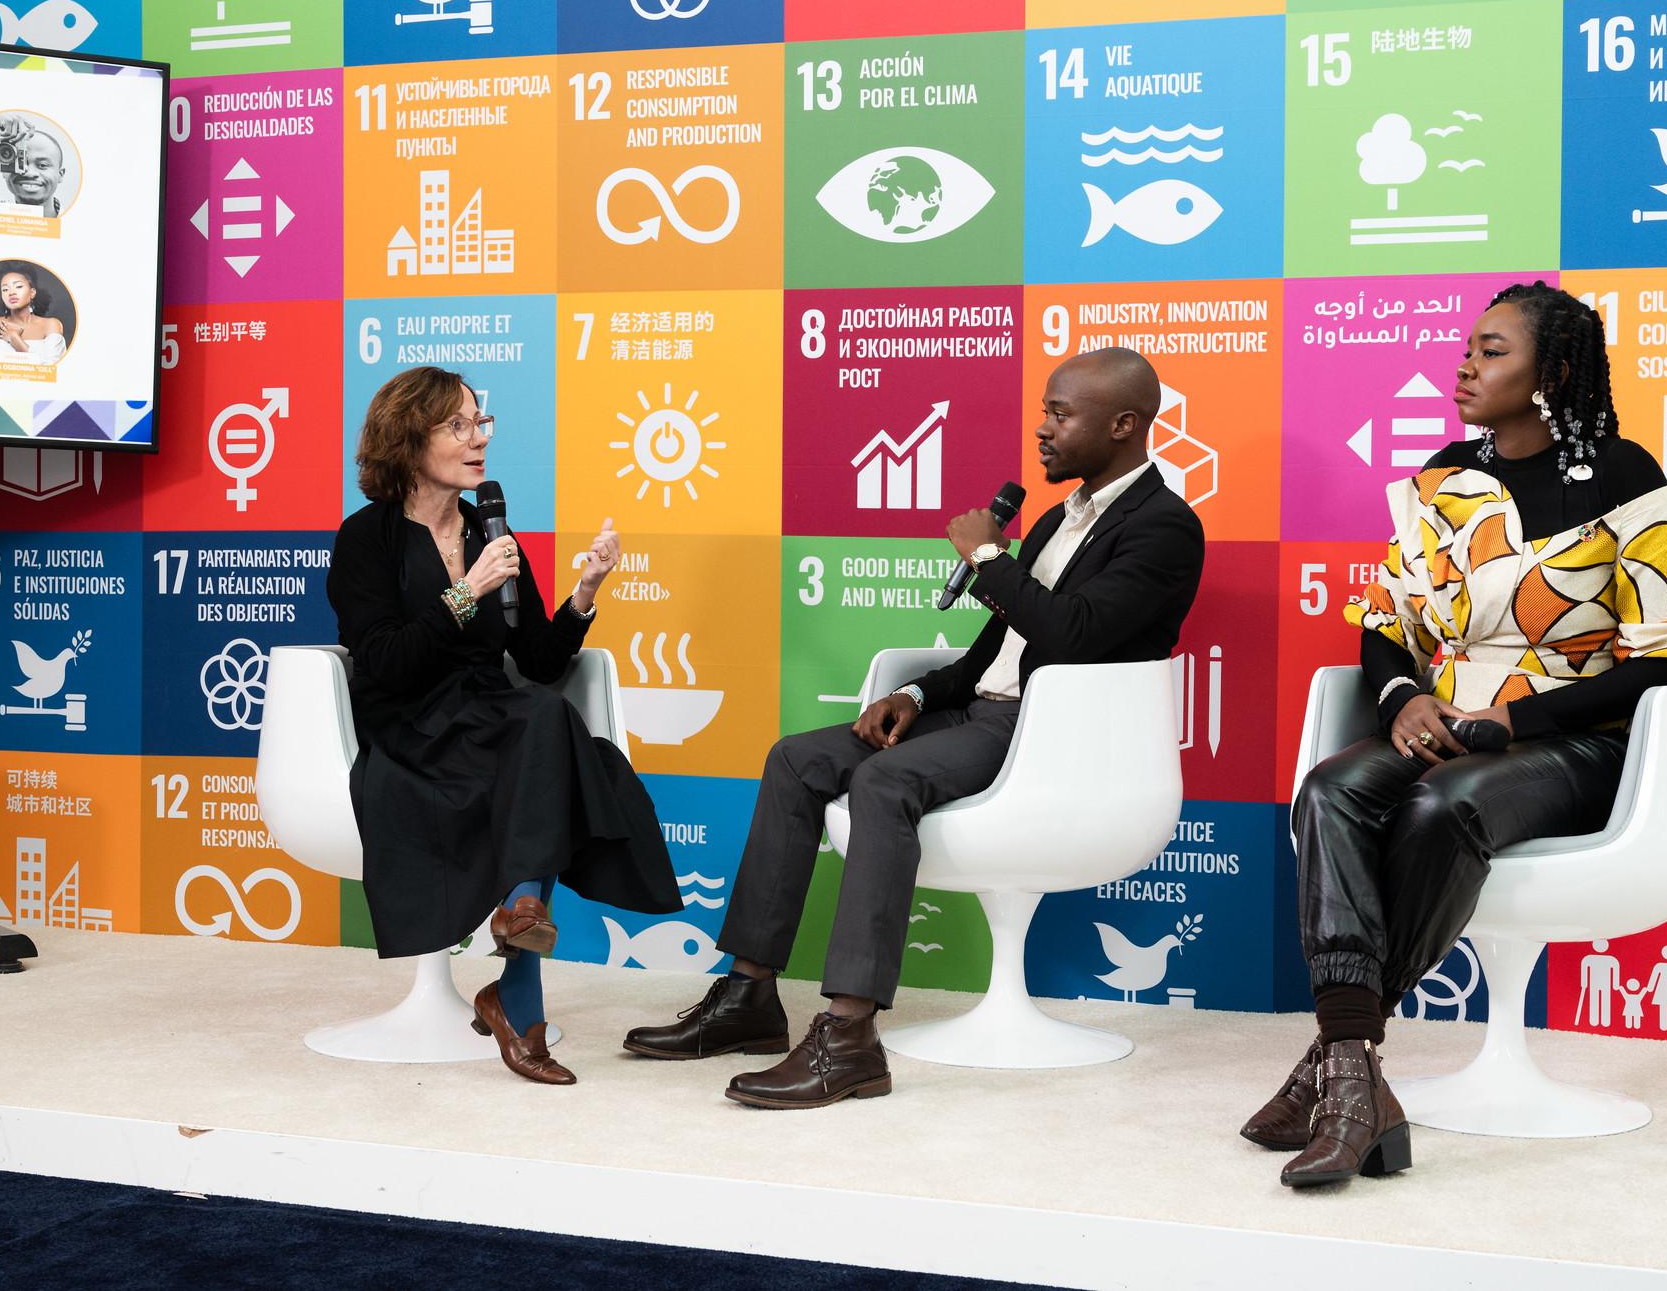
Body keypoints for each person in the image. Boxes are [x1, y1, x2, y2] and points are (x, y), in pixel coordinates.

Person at [623, 347, 1205, 1108]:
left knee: (885, 779)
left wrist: (991, 559)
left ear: (1124, 424)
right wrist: (920, 697)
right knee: (796, 760)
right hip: (983, 712)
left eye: (1061, 414)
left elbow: (1074, 636)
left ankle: (849, 1038)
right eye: (1045, 412)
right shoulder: (1060, 519)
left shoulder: (1166, 526)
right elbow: (996, 650)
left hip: (1051, 732)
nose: (1042, 429)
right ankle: (749, 996)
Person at [1251, 282, 1667, 1187]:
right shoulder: (1443, 476)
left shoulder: (1628, 478)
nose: (1466, 363)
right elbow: (1385, 616)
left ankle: (1335, 1060)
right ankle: (1358, 1078)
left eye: (1493, 350)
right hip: (1450, 726)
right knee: (1329, 789)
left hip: (1577, 739)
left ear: (1553, 372)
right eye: (1469, 346)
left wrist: (1518, 716)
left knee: (1441, 806)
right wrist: (1401, 698)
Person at [328, 367, 682, 1085]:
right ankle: (519, 994)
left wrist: (586, 590)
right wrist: (466, 593)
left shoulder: (490, 527)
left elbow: (540, 660)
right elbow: (387, 661)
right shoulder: (366, 539)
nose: (477, 439)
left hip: (494, 714)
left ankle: (520, 932)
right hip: (412, 726)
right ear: (408, 436)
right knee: (550, 741)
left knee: (545, 719)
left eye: (479, 423)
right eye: (456, 425)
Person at [0, 263, 67, 364]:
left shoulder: (50, 325)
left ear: (32, 293)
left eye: (18, 286)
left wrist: (15, 339)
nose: (11, 292)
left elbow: (53, 372)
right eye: (5, 289)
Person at [0, 115, 67, 216]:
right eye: (19, 162)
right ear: (4, 170)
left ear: (60, 174)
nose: (29, 173)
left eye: (42, 165)